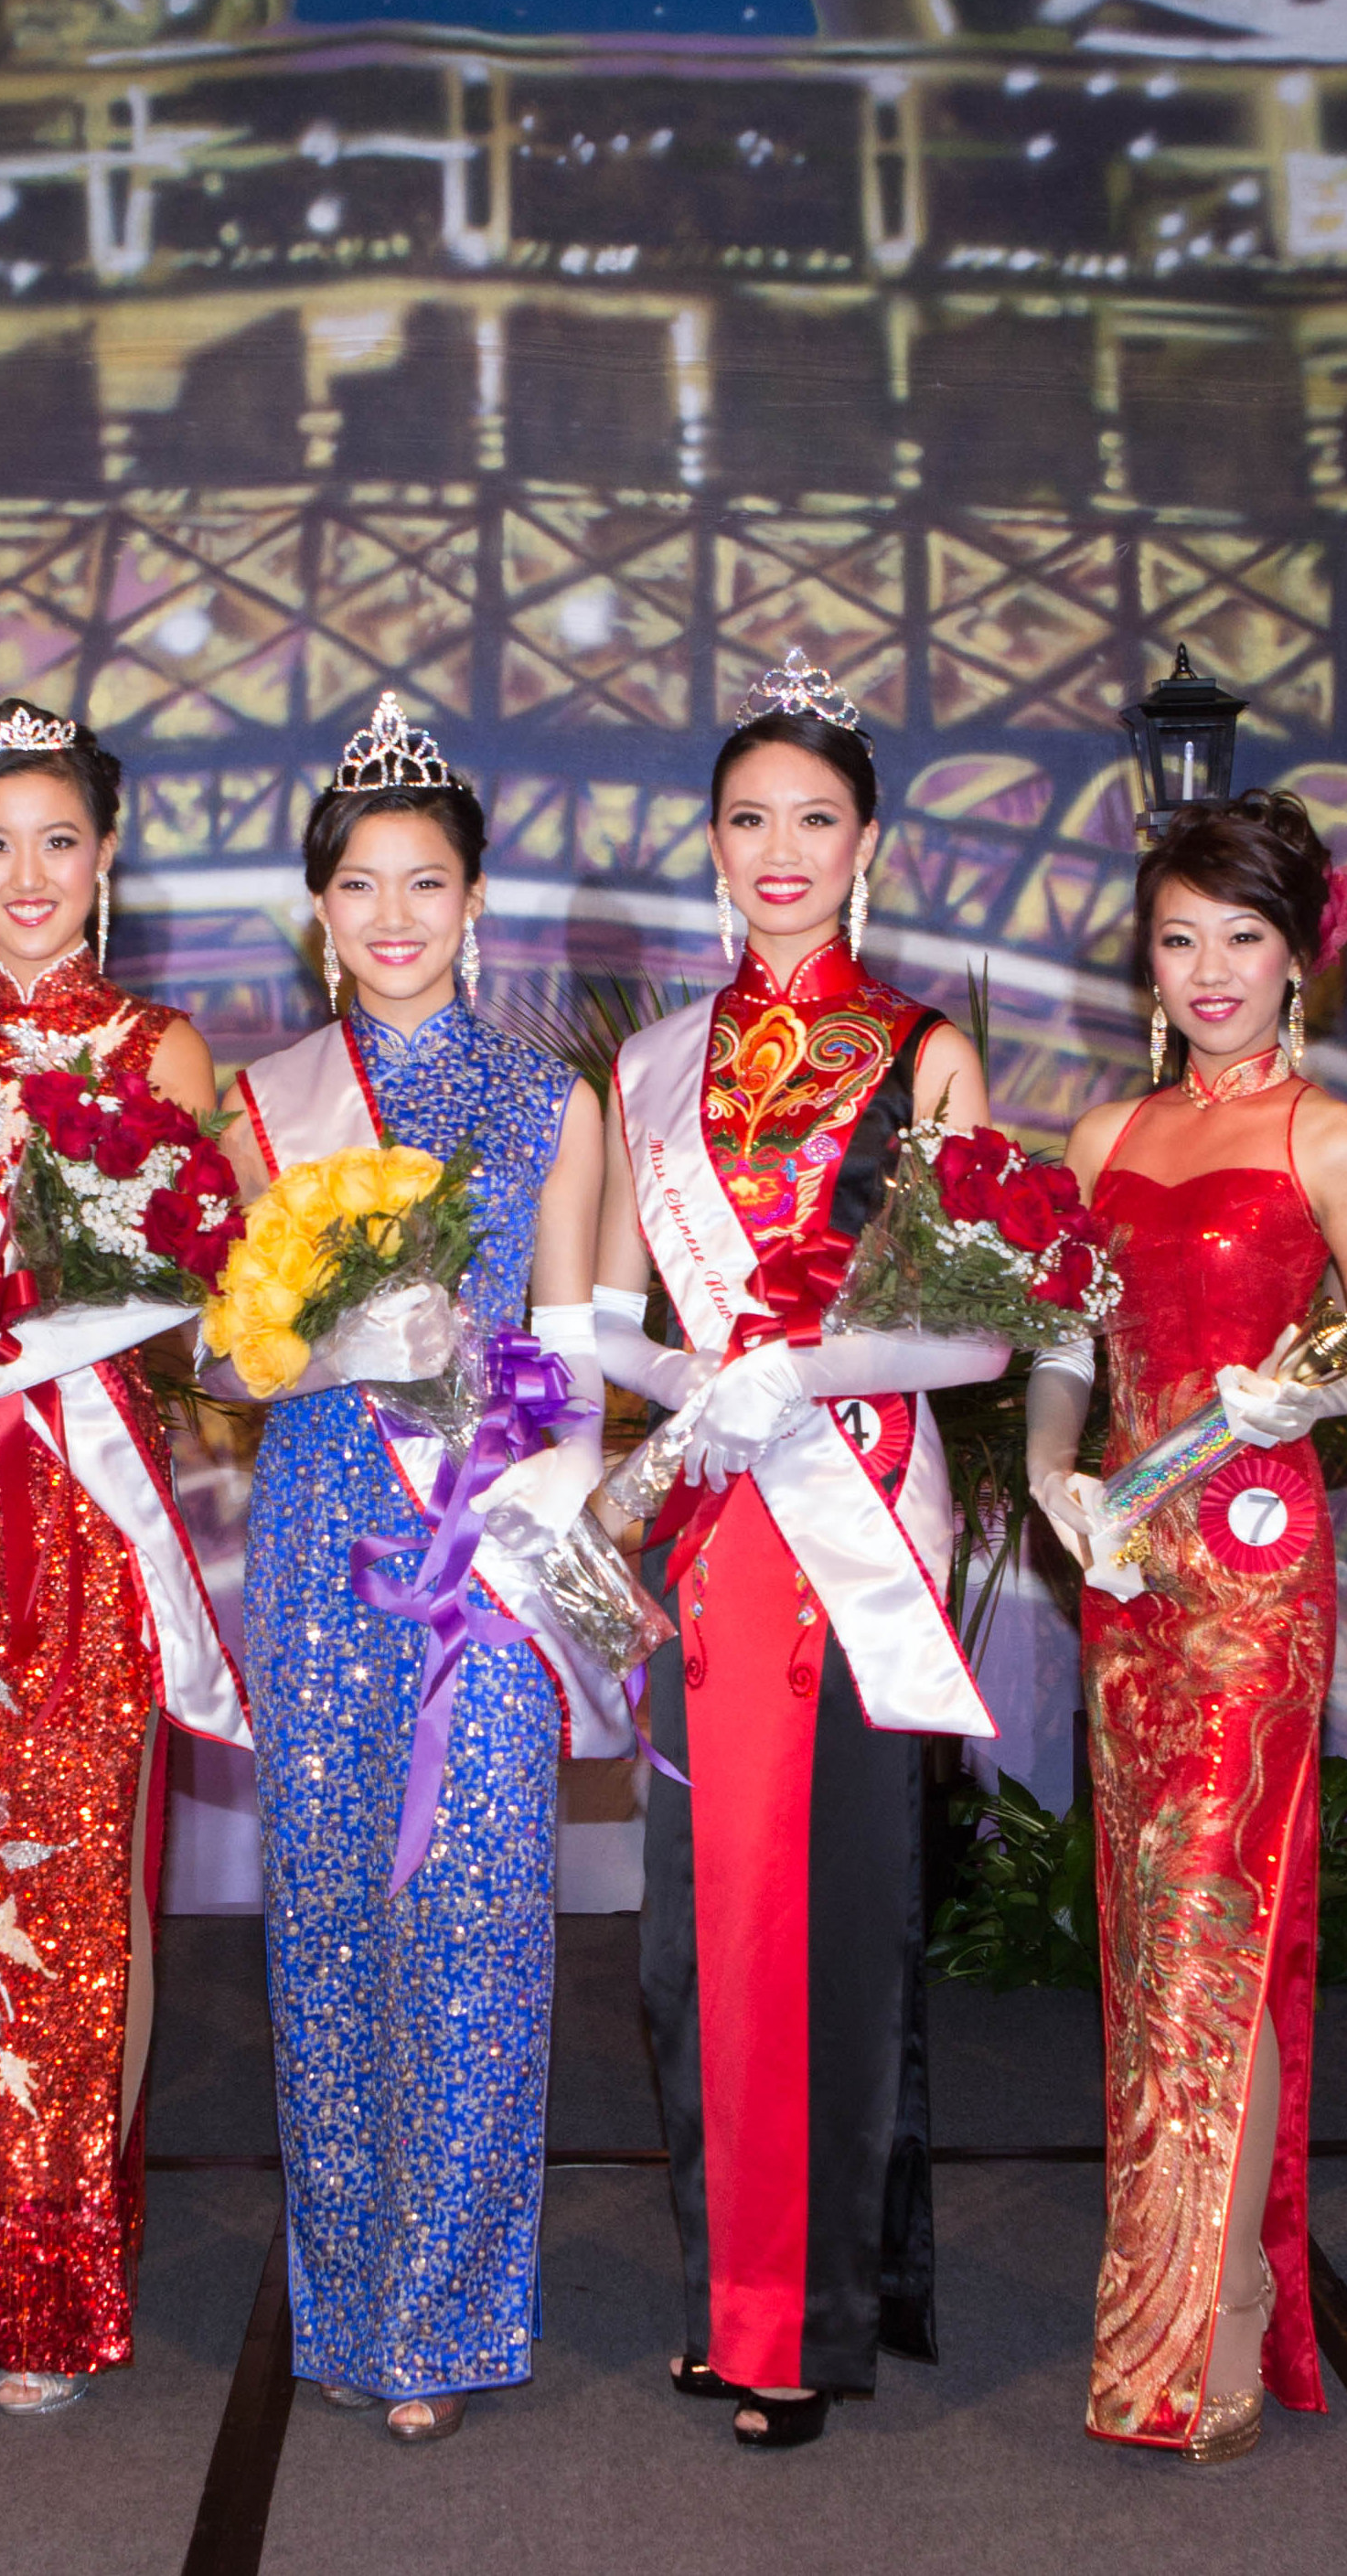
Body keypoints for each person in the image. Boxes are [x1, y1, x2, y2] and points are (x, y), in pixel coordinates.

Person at [590, 656, 1002, 2451]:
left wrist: (802, 1369)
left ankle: (801, 2322)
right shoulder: (651, 1064)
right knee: (694, 1943)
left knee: (823, 1923)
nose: (778, 848)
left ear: (868, 844)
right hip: (705, 1532)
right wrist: (688, 1377)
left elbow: (980, 1336)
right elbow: (597, 1312)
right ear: (708, 841)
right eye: (746, 816)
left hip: (842, 1536)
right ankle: (724, 2296)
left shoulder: (926, 1052)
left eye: (812, 818)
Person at [210, 696, 615, 2445]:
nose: (392, 917)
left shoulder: (550, 1101)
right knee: (328, 1919)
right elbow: (218, 1362)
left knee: (470, 1916)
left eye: (425, 884)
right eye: (360, 887)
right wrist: (324, 1342)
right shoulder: (267, 1107)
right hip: (317, 1534)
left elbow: (584, 1361)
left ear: (473, 904)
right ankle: (348, 2297)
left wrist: (531, 1482)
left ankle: (446, 2322)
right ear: (319, 910)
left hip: (487, 1553)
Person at [0, 696, 245, 2416]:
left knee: (91, 1901)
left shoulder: (160, 1048)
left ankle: (64, 2273)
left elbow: (185, 1288)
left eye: (58, 841)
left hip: (87, 1516)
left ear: (106, 859)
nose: (27, 875)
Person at [1021, 789, 1347, 2460]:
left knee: (1214, 1931)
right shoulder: (1102, 1141)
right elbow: (1060, 1344)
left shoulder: (1332, 1135)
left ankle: (1215, 2319)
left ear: (1297, 947)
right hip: (1127, 1575)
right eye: (1178, 941)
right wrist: (1050, 1473)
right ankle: (1173, 2291)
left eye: (1238, 938)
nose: (1207, 972)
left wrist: (1300, 1389)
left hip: (1254, 1575)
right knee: (1139, 1941)